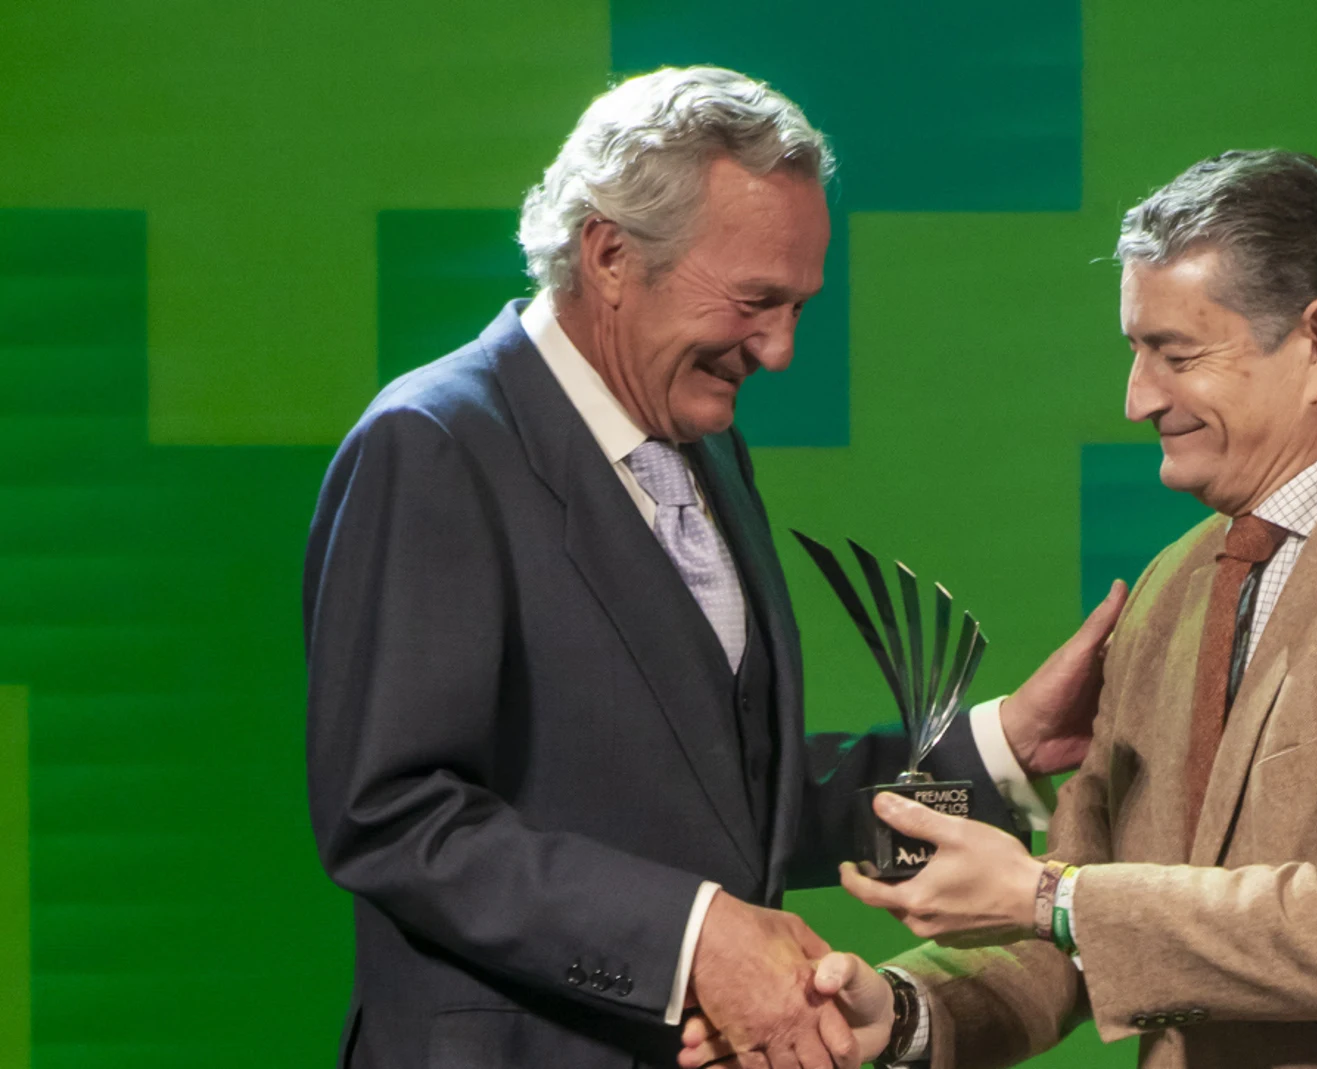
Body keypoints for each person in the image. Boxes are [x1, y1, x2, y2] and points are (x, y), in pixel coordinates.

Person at [685, 149, 1317, 1068]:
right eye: (1136, 351)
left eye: (1174, 354)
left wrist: (1049, 896)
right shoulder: (1173, 586)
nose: (1138, 398)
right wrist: (896, 1014)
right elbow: (1083, 929)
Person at [303, 66, 1123, 1069]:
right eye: (754, 301)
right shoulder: (433, 444)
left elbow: (725, 792)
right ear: (609, 254)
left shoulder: (706, 447)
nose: (778, 351)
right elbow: (392, 816)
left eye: (798, 307)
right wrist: (691, 939)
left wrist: (1000, 748)